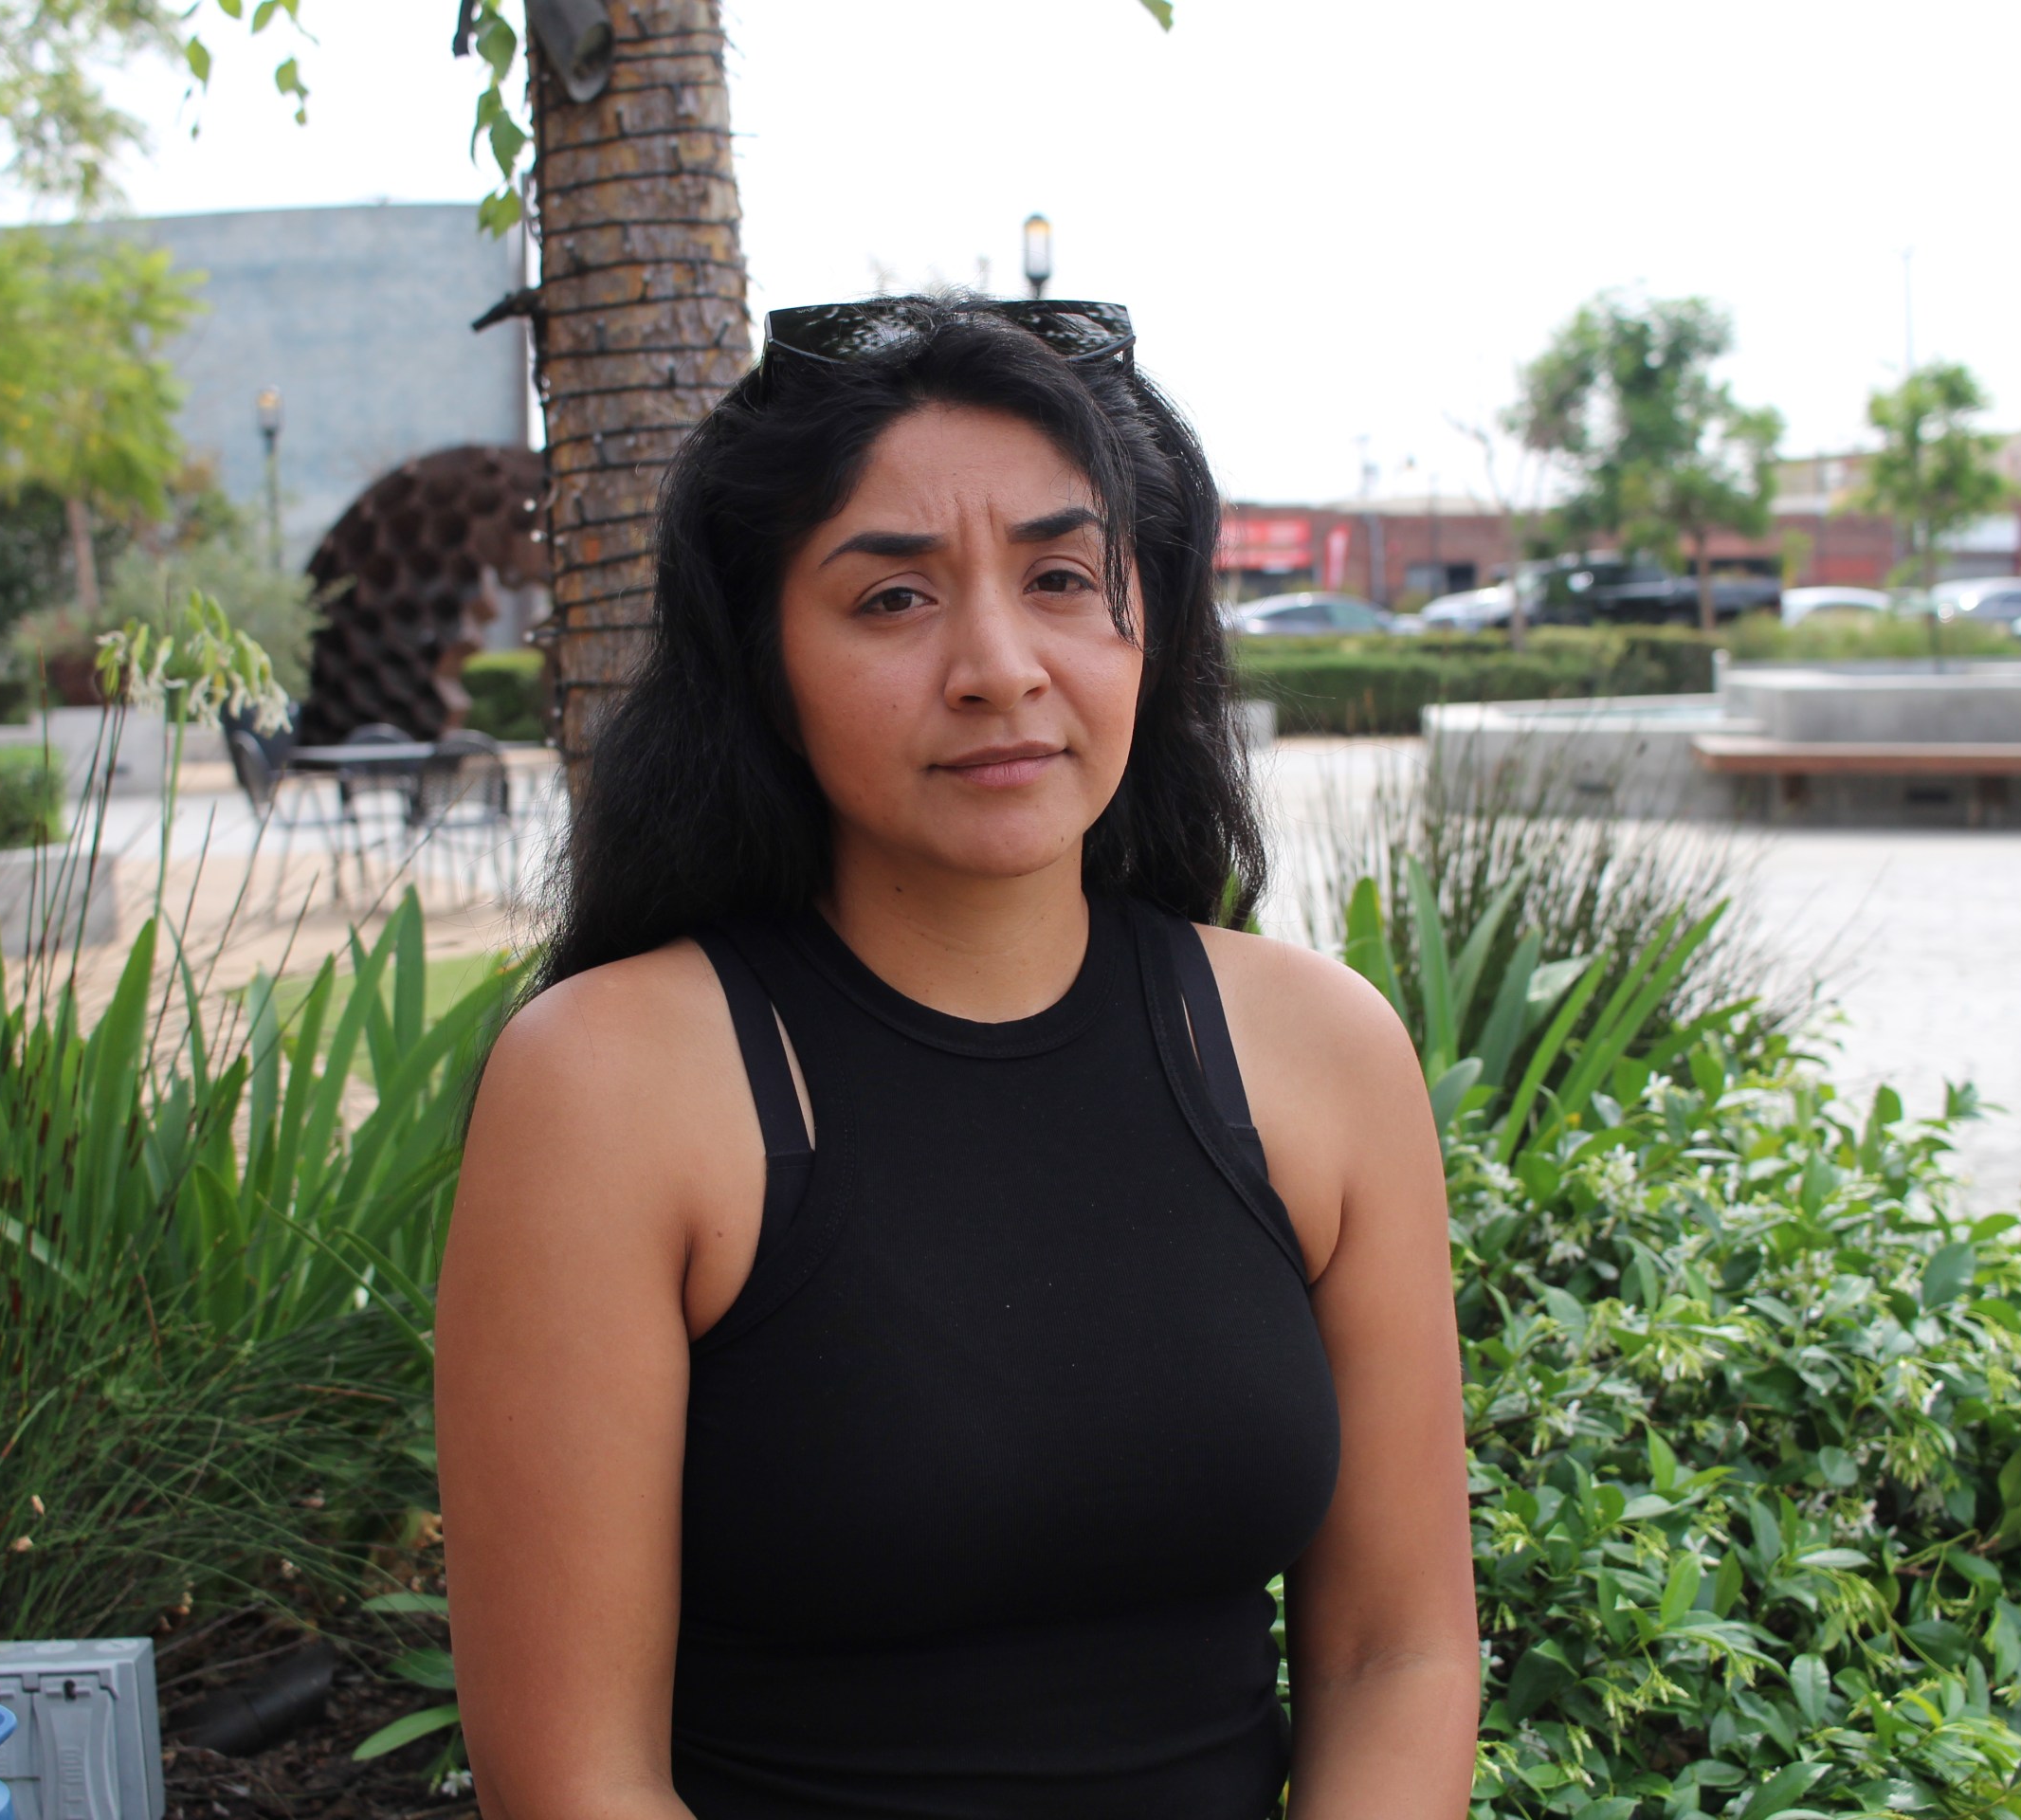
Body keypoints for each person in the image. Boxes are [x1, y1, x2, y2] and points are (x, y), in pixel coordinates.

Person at [438, 295, 1476, 1820]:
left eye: (1063, 578)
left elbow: (1398, 1654)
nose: (999, 664)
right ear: (763, 659)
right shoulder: (612, 1084)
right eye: (891, 601)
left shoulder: (1321, 1053)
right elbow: (577, 1777)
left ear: (1153, 623)